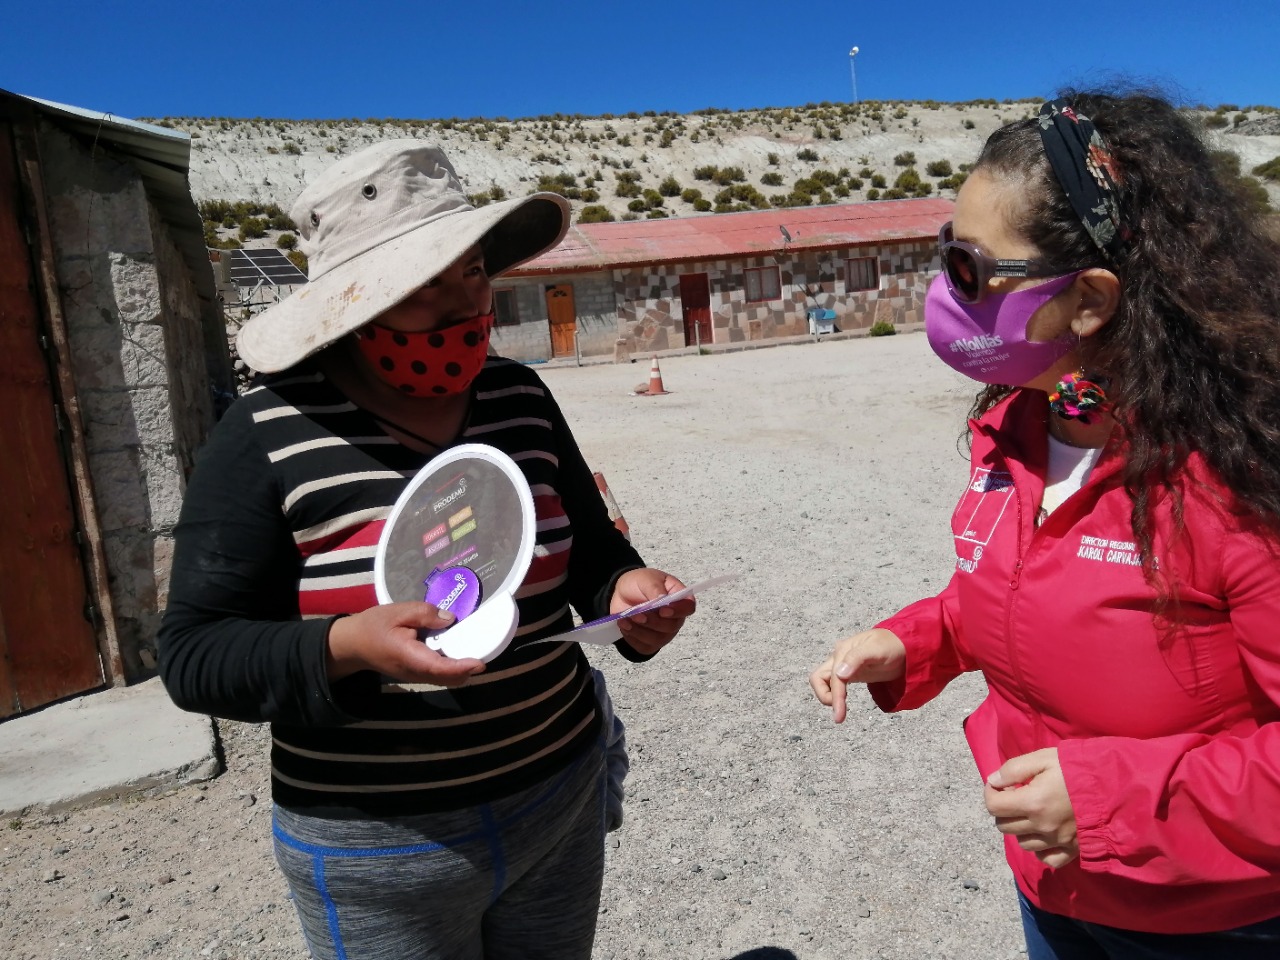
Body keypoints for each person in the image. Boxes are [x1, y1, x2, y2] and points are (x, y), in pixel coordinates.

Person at [158, 139, 695, 960]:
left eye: (472, 271)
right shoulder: (263, 434)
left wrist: (625, 593)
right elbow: (195, 655)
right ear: (356, 304)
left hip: (558, 798)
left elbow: (587, 549)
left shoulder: (519, 396)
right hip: (377, 849)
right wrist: (344, 647)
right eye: (426, 284)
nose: (463, 305)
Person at [811, 90, 1280, 958]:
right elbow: (1020, 596)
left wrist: (1108, 802)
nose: (940, 292)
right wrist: (916, 642)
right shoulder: (1023, 427)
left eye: (969, 270)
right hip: (1056, 893)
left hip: (1211, 924)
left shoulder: (1238, 483)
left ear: (1092, 300)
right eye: (941, 254)